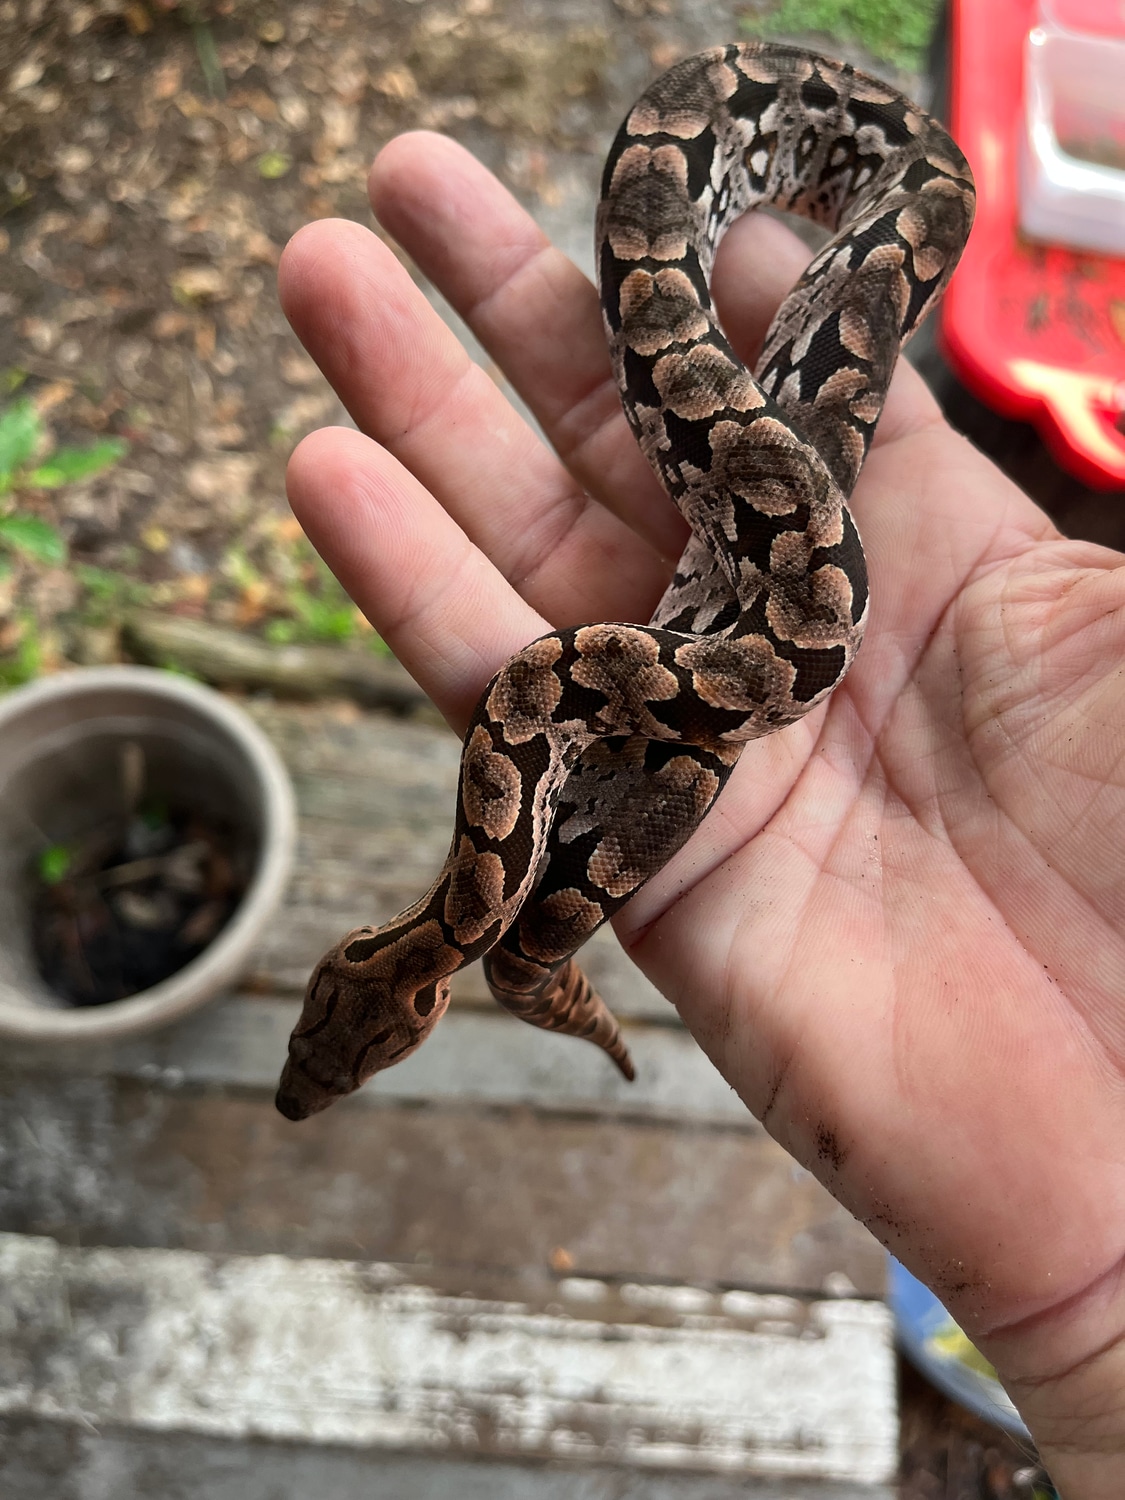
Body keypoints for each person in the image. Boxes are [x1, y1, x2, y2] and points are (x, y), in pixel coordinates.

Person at [277, 129, 1125, 1497]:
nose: (339, 1059)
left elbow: (569, 756)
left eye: (344, 1050)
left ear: (407, 1008)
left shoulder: (530, 766)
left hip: (682, 664)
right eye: (341, 1053)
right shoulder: (516, 799)